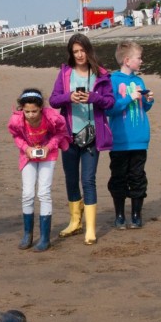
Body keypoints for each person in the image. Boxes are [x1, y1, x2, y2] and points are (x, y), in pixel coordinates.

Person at [49, 33, 115, 245]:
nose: (79, 55)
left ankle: (91, 228)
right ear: (71, 53)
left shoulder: (101, 74)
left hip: (93, 136)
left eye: (82, 50)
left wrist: (93, 97)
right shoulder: (65, 73)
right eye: (75, 51)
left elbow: (110, 102)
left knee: (88, 179)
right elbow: (53, 100)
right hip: (68, 135)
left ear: (88, 50)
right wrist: (69, 97)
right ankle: (75, 222)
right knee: (70, 179)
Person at [8, 89, 71, 252]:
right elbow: (16, 136)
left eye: (34, 111)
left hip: (47, 156)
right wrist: (26, 147)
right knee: (27, 193)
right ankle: (27, 234)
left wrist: (49, 147)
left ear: (41, 108)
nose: (30, 115)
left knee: (44, 193)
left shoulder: (52, 118)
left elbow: (60, 133)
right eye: (27, 111)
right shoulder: (16, 120)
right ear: (21, 108)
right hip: (27, 156)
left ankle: (44, 237)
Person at [106, 41, 154, 230]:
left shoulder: (139, 81)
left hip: (139, 139)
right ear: (127, 60)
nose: (141, 61)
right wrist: (129, 97)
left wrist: (148, 99)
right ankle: (119, 215)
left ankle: (136, 214)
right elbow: (109, 109)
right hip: (120, 140)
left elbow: (145, 107)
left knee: (138, 177)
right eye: (138, 58)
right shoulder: (113, 80)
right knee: (118, 177)